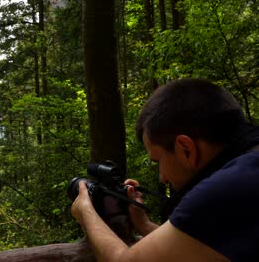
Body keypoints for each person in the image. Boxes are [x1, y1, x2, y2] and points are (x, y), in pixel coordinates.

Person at [71, 78, 259, 262]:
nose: (162, 178)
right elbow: (191, 246)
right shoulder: (247, 170)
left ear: (186, 149)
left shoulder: (227, 187)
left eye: (157, 160)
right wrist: (143, 224)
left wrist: (85, 210)